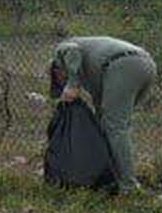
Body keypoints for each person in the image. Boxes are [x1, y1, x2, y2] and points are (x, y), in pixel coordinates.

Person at [50, 36, 156, 193]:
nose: (62, 82)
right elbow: (100, 107)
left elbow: (73, 50)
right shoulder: (92, 71)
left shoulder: (61, 52)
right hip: (145, 65)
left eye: (60, 80)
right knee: (111, 126)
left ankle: (129, 187)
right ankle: (111, 177)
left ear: (56, 70)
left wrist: (73, 83)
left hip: (123, 66)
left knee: (115, 128)